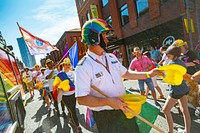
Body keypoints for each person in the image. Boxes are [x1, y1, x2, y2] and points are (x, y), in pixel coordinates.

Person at [75, 18, 162, 133]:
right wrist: (108, 101)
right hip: (106, 117)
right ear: (93, 38)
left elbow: (126, 73)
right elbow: (81, 99)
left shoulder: (111, 57)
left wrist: (148, 74)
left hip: (124, 108)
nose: (106, 40)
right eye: (103, 36)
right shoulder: (83, 67)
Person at [162, 45, 191, 133]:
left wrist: (161, 73)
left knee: (165, 110)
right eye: (166, 54)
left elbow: (168, 79)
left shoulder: (171, 64)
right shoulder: (181, 62)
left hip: (175, 90)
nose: (167, 56)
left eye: (169, 55)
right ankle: (187, 131)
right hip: (184, 89)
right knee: (184, 110)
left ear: (175, 55)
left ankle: (171, 131)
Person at [173, 39, 200, 108]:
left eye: (180, 47)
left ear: (184, 46)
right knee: (186, 92)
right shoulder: (178, 56)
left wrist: (184, 64)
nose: (179, 49)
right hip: (184, 76)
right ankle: (186, 105)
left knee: (193, 93)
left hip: (192, 75)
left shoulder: (190, 53)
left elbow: (196, 63)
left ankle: (195, 107)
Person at [60, 58, 81, 132]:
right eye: (66, 64)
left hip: (73, 94)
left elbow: (76, 83)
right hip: (64, 96)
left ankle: (74, 121)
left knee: (72, 109)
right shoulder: (60, 74)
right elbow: (56, 86)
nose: (67, 66)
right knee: (72, 110)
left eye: (69, 64)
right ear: (63, 65)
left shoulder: (73, 73)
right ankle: (77, 126)